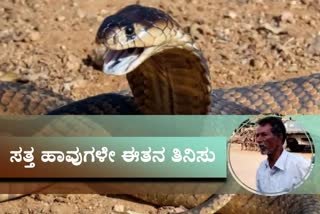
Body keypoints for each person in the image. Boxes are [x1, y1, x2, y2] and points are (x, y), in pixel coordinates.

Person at [255, 116, 311, 195]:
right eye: (257, 135)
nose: (258, 140)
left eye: (264, 135)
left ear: (279, 137)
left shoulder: (301, 165)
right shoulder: (262, 168)